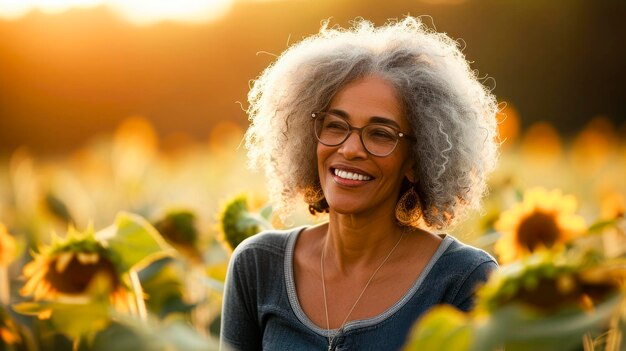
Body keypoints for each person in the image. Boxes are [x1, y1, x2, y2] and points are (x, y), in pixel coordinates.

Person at [221, 16, 499, 351]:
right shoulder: (257, 266)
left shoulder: (462, 279)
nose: (350, 149)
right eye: (335, 126)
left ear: (416, 159)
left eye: (380, 134)